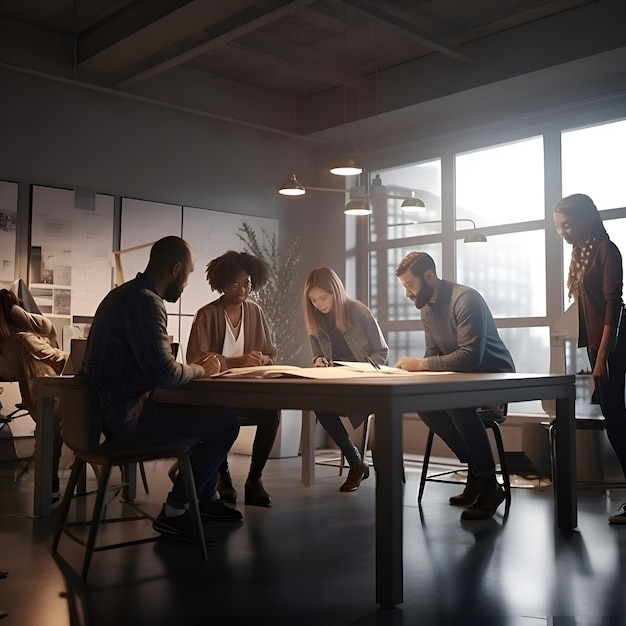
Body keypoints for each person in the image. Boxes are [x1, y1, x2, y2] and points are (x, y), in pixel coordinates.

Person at [82, 236, 242, 545]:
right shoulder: (145, 301)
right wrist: (203, 369)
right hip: (128, 418)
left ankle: (204, 499)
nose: (186, 284)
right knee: (225, 423)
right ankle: (175, 509)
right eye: (189, 274)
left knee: (207, 419)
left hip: (107, 414)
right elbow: (165, 374)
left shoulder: (121, 295)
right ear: (177, 268)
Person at [394, 251, 515, 521]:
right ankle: (478, 472)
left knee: (457, 405)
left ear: (429, 276)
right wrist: (419, 367)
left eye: (409, 286)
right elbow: (433, 354)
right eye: (404, 287)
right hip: (462, 379)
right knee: (425, 406)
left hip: (495, 376)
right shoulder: (427, 309)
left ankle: (488, 485)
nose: (407, 294)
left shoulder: (465, 299)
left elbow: (471, 355)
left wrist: (422, 365)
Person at [186, 250, 279, 507]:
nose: (242, 290)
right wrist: (237, 361)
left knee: (271, 413)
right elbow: (195, 359)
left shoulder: (255, 312)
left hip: (249, 392)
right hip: (216, 395)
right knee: (220, 417)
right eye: (235, 285)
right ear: (222, 285)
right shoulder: (206, 314)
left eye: (247, 284)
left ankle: (255, 480)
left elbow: (271, 353)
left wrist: (263, 360)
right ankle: (222, 476)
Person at [554, 193, 626, 525]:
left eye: (568, 224)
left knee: (618, 423)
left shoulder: (605, 250)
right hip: (598, 346)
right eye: (559, 227)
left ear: (586, 218)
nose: (564, 232)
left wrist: (602, 358)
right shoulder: (583, 253)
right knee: (615, 421)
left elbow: (614, 306)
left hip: (612, 346)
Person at [303, 266, 389, 492]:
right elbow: (317, 354)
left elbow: (382, 352)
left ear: (336, 292)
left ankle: (361, 465)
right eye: (313, 300)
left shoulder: (358, 311)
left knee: (326, 404)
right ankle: (356, 462)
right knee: (318, 405)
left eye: (323, 298)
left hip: (365, 382)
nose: (319, 305)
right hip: (338, 382)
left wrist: (361, 370)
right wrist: (319, 359)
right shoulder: (315, 319)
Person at [0, 288, 68, 501]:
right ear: (15, 312)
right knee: (55, 414)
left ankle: (49, 480)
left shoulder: (5, 344)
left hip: (35, 393)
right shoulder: (23, 341)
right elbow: (59, 359)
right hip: (44, 397)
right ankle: (49, 480)